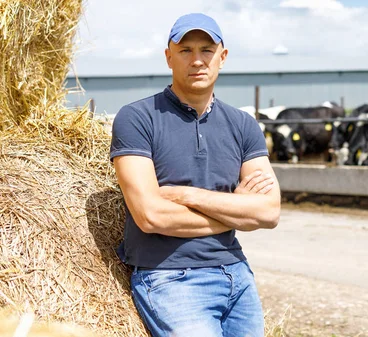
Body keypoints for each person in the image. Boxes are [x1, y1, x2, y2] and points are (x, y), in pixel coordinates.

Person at [109, 12, 280, 337]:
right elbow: (151, 216)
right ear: (168, 57)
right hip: (170, 277)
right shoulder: (137, 118)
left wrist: (188, 196)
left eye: (207, 50)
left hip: (237, 273)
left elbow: (269, 211)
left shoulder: (243, 125)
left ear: (222, 57)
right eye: (185, 50)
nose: (197, 60)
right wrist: (237, 211)